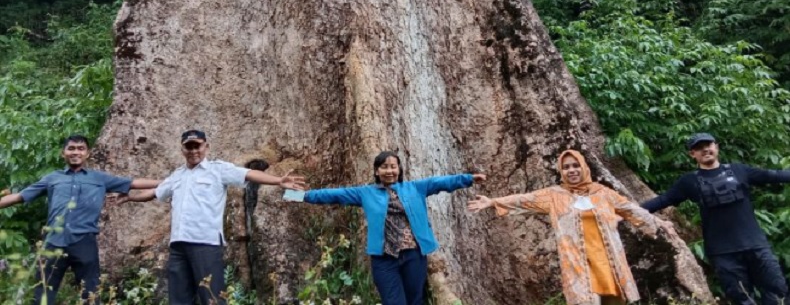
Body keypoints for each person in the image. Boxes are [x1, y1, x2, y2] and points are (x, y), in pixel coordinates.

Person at [121, 130, 307, 305]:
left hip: (205, 243)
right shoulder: (177, 175)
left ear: (206, 147)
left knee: (212, 297)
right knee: (178, 299)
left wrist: (278, 180)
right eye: (189, 147)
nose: (193, 151)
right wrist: (130, 197)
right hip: (178, 245)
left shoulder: (218, 170)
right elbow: (155, 192)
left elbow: (248, 174)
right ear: (182, 149)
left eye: (197, 146)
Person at [468, 149, 667, 305]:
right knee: (585, 300)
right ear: (561, 172)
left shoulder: (603, 193)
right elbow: (524, 199)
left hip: (607, 260)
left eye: (575, 166)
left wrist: (660, 223)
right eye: (566, 167)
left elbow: (631, 210)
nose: (571, 170)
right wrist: (492, 202)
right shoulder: (554, 195)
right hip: (577, 262)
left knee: (612, 300)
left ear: (584, 167)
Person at [299, 150, 485, 305]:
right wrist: (295, 195)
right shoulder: (365, 193)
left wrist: (468, 179)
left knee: (415, 301)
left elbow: (441, 182)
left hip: (413, 256)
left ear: (399, 169)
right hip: (384, 260)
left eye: (393, 166)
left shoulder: (415, 188)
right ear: (377, 171)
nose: (389, 171)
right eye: (384, 167)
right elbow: (332, 195)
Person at [0, 134, 160, 304]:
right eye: (71, 148)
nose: (76, 152)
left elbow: (133, 183)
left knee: (91, 294)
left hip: (84, 241)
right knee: (42, 294)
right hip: (53, 241)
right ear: (63, 153)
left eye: (80, 149)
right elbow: (20, 196)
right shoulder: (52, 178)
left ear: (87, 153)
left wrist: (170, 181)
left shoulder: (99, 178)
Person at [641, 132, 790, 305]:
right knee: (742, 299)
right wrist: (624, 210)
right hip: (723, 253)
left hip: (756, 246)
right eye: (699, 147)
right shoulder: (689, 182)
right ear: (692, 154)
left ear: (716, 147)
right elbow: (663, 200)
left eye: (708, 145)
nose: (705, 149)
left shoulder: (739, 170)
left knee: (778, 293)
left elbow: (773, 175)